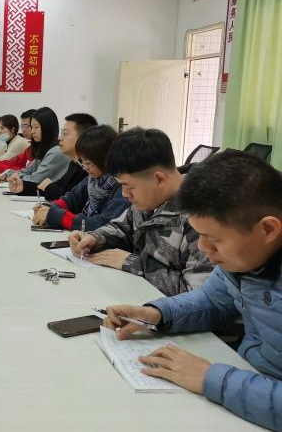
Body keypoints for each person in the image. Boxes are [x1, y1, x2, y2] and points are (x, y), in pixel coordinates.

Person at [102, 151, 282, 431]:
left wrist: (211, 378)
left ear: (268, 229)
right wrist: (157, 314)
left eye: (212, 239)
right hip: (251, 381)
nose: (202, 248)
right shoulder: (244, 258)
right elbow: (212, 300)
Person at [68, 127, 212, 296]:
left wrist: (133, 263)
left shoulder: (201, 218)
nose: (124, 194)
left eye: (128, 186)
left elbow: (197, 294)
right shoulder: (149, 200)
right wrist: (94, 238)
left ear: (159, 179)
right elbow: (122, 228)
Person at [34, 125, 129, 230]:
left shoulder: (123, 188)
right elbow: (71, 198)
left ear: (104, 160)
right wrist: (49, 208)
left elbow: (101, 224)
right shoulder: (92, 180)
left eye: (88, 163)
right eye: (82, 161)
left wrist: (56, 215)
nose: (84, 167)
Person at [9, 113, 96, 196]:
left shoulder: (89, 168)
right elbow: (59, 188)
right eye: (61, 133)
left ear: (83, 137)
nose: (60, 138)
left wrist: (48, 187)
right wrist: (23, 187)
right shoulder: (75, 163)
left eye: (65, 133)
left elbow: (68, 196)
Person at [5, 107, 70, 192]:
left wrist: (13, 177)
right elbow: (27, 171)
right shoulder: (44, 150)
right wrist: (7, 174)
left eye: (36, 127)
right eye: (32, 127)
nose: (32, 131)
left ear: (47, 128)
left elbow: (34, 179)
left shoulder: (56, 152)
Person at [0, 109, 36, 174]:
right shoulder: (9, 142)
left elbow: (6, 159)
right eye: (22, 126)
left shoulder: (20, 142)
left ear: (12, 129)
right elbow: (12, 163)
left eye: (2, 128)